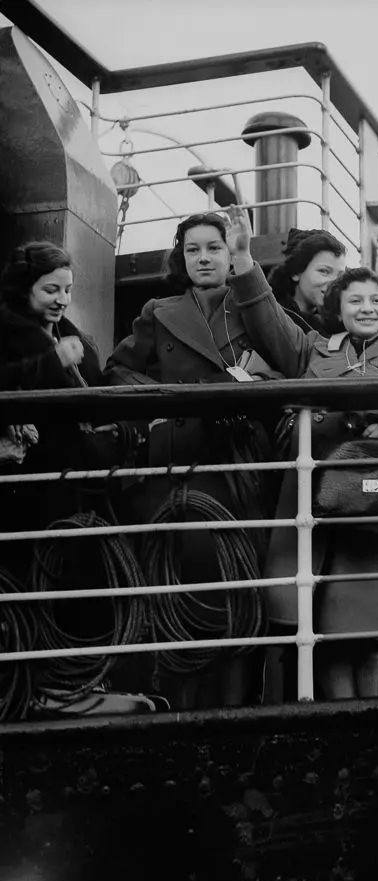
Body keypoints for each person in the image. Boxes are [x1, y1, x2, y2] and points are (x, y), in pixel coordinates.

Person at [105, 208, 279, 709]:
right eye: (193, 249)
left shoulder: (254, 306)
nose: (203, 258)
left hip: (237, 469)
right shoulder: (158, 310)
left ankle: (233, 719)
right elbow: (118, 371)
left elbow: (290, 363)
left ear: (232, 254)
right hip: (175, 471)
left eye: (214, 248)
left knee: (238, 599)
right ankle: (180, 719)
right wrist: (175, 397)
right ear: (182, 257)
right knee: (176, 596)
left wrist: (248, 385)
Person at [241, 266, 378, 699]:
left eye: (376, 301)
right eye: (355, 300)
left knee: (377, 637)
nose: (366, 308)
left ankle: (374, 733)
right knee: (329, 640)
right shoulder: (311, 352)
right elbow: (267, 322)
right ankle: (343, 733)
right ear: (337, 309)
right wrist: (243, 264)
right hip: (317, 516)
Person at [0, 243, 110, 565]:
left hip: (75, 484)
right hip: (26, 488)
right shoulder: (6, 334)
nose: (63, 299)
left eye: (68, 290)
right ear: (23, 288)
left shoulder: (77, 340)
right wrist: (51, 360)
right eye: (51, 289)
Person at [267, 228, 347, 336]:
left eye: (340, 276)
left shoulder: (346, 322)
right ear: (296, 272)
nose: (334, 283)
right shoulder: (271, 316)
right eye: (324, 271)